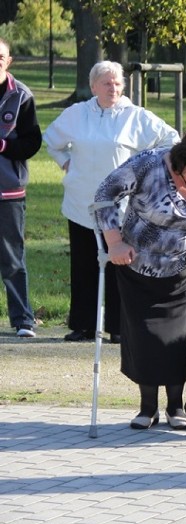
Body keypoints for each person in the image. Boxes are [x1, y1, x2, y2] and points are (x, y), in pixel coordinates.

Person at [93, 126, 186, 430]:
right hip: (138, 268)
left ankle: (176, 407)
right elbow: (105, 195)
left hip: (185, 270)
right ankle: (147, 407)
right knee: (143, 339)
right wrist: (114, 241)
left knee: (175, 342)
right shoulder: (148, 165)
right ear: (182, 167)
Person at [43, 61, 180, 343]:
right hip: (82, 203)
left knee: (121, 266)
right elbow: (51, 140)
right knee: (83, 266)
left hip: (121, 209)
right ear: (93, 86)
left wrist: (147, 172)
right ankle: (83, 324)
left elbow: (171, 140)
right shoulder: (77, 114)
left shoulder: (136, 116)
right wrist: (64, 161)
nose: (113, 88)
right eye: (106, 83)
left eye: (117, 83)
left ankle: (119, 327)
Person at [0, 39, 42, 338]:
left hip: (8, 192)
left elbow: (32, 143)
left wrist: (3, 145)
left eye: (0, 57)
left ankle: (23, 320)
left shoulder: (22, 96)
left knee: (12, 258)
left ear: (9, 60)